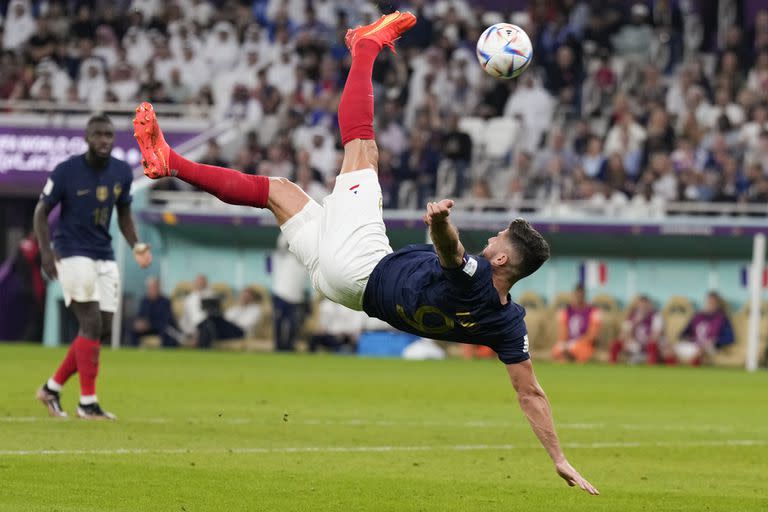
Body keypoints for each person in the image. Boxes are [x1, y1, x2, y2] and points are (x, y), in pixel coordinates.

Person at [133, 11, 597, 495]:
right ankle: (171, 162)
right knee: (277, 190)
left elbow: (453, 253)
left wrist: (440, 221)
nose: (491, 240)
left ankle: (366, 47)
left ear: (503, 260)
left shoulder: (478, 273)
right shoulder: (508, 323)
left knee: (362, 150)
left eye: (499, 239)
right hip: (343, 290)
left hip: (364, 265)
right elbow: (531, 394)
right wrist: (559, 458)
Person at [34, 114, 152, 420]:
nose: (104, 140)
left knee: (101, 327)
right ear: (87, 138)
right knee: (90, 324)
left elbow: (124, 214)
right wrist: (46, 253)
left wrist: (137, 245)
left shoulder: (121, 172)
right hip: (72, 252)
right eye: (98, 134)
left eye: (109, 135)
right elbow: (40, 212)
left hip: (104, 253)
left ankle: (51, 388)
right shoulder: (66, 171)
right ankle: (88, 402)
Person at [672, 291, 734, 366]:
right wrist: (686, 337)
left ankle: (697, 360)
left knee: (704, 348)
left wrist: (716, 341)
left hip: (711, 346)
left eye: (713, 302)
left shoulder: (722, 318)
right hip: (695, 344)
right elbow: (683, 333)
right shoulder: (697, 316)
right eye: (709, 302)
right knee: (671, 348)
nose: (710, 304)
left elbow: (729, 338)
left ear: (717, 304)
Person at [271, 232, 308, 351]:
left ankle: (289, 347)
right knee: (278, 323)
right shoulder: (284, 255)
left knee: (293, 324)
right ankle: (278, 347)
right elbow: (284, 239)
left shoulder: (305, 259)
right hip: (281, 293)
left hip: (296, 297)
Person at [551, 284, 602, 363]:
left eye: (581, 295)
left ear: (584, 295)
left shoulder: (593, 311)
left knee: (579, 351)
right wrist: (565, 344)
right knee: (557, 350)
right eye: (577, 295)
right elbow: (563, 331)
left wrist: (576, 343)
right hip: (569, 343)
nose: (579, 297)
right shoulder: (567, 311)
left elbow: (592, 335)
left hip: (584, 344)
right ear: (574, 295)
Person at [609, 295, 663, 364]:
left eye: (645, 304)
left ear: (649, 305)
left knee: (652, 345)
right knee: (616, 343)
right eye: (641, 304)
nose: (642, 307)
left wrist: (646, 342)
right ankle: (613, 364)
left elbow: (656, 333)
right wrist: (635, 323)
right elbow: (624, 332)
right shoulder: (632, 315)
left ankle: (651, 366)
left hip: (649, 343)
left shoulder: (656, 316)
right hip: (635, 342)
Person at [131, 276, 180, 347]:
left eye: (154, 287)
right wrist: (139, 323)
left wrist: (149, 324)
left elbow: (166, 320)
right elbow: (140, 315)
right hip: (147, 329)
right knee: (133, 330)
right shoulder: (144, 301)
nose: (152, 289)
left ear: (158, 287)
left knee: (167, 334)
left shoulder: (165, 301)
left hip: (160, 328)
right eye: (150, 287)